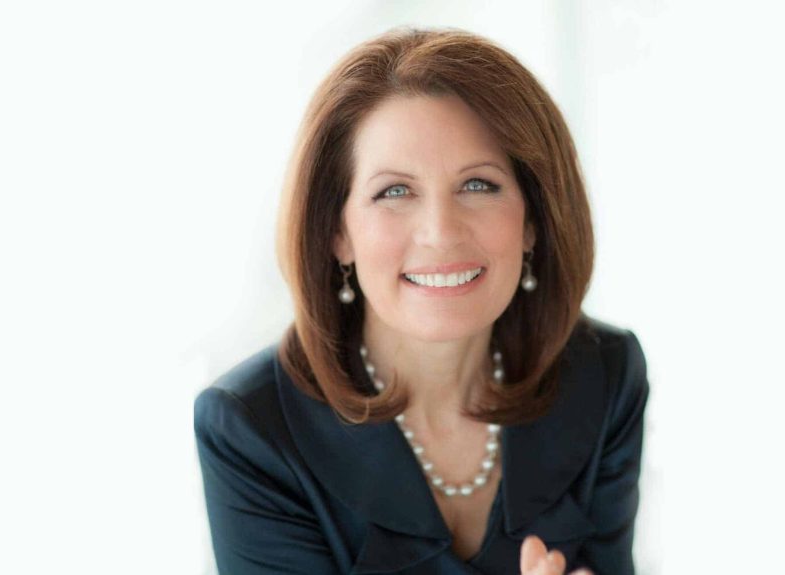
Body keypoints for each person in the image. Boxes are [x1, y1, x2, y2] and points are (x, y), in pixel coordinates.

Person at [194, 25, 650, 575]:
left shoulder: (604, 375)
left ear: (533, 219)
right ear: (338, 233)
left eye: (478, 185)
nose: (440, 233)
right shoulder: (250, 427)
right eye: (394, 191)